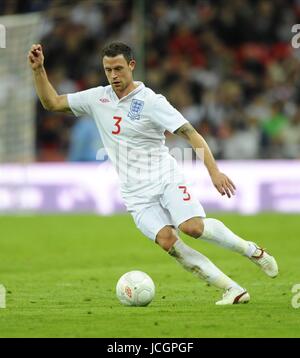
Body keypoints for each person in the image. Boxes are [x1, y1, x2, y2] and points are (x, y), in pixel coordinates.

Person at [28, 42, 278, 305]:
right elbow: (52, 103)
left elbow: (190, 133)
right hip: (134, 193)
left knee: (192, 227)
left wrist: (214, 171)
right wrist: (39, 69)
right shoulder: (97, 98)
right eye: (108, 70)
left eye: (118, 68)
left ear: (131, 66)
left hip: (164, 177)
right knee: (168, 241)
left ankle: (253, 252)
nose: (113, 75)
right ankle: (232, 289)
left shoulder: (151, 102)